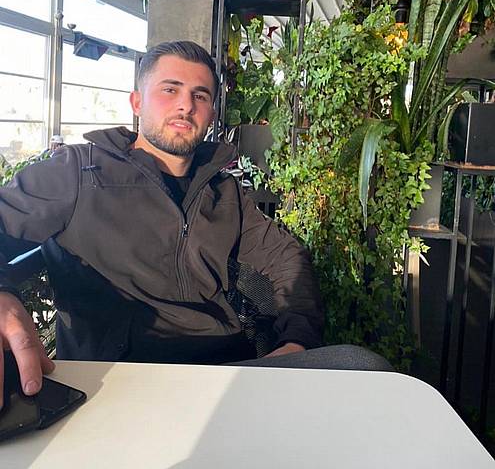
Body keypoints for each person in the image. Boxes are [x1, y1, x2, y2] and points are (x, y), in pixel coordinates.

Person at [0, 41, 391, 405]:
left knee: (364, 368)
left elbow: (285, 257)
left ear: (211, 115)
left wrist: (296, 340)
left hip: (224, 372)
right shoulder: (79, 173)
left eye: (200, 95)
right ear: (137, 102)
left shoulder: (223, 191)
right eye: (170, 90)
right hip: (120, 381)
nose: (185, 105)